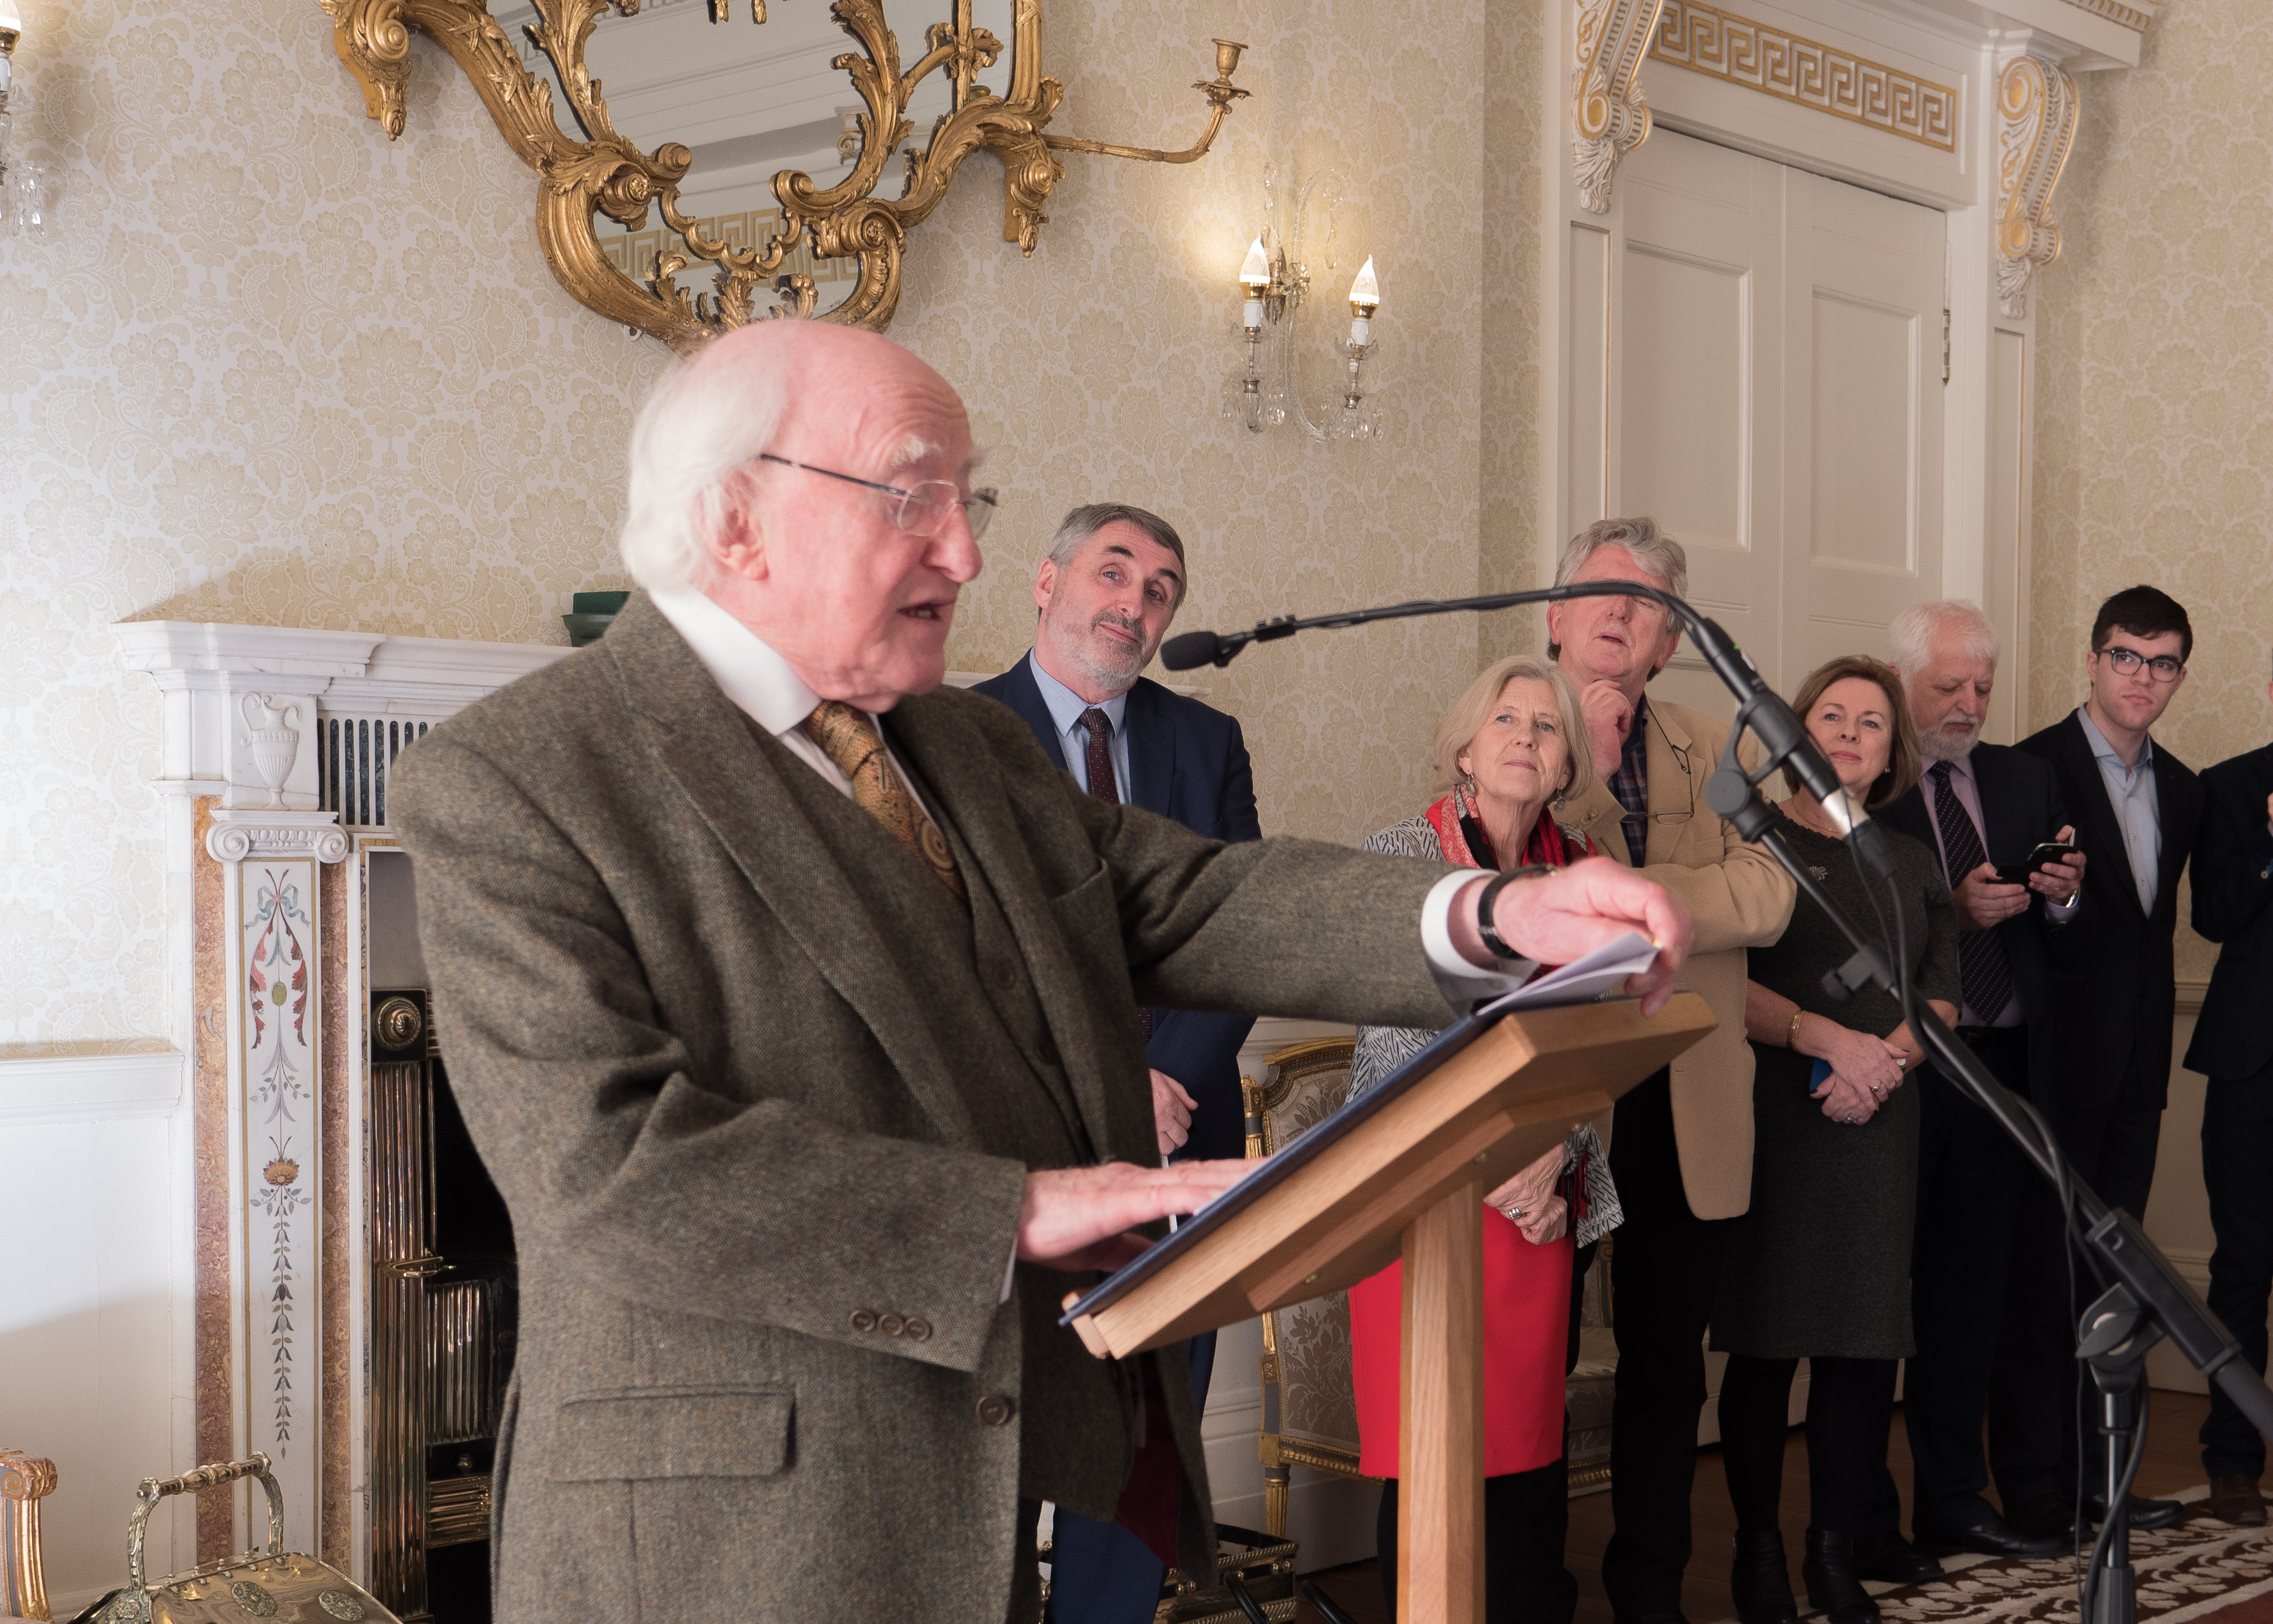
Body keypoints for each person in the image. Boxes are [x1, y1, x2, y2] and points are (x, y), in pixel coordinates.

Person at [388, 321, 1696, 1624]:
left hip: (974, 1486)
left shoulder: (963, 743)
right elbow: (607, 1168)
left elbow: (1188, 894)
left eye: (970, 501)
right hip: (718, 1544)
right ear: (737, 518)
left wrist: (1500, 910)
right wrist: (1010, 1211)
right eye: (912, 497)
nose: (964, 553)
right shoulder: (522, 777)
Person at [972, 503, 1262, 1622]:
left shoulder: (1207, 743)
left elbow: (1240, 933)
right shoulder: (956, 731)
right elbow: (961, 952)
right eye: (1113, 572)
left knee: (1140, 1441)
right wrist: (1105, 1086)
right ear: (1046, 582)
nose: (1134, 603)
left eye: (1160, 590)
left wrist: (1165, 1089)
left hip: (1182, 1145)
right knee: (998, 1437)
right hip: (1018, 1151)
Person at [1544, 518, 1797, 1624]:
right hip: (1556, 1095)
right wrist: (1597, 787)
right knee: (1537, 1362)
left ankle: (1649, 1593)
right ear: (1553, 618)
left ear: (1670, 640)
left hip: (1688, 1093)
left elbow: (1772, 895)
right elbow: (1524, 886)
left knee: (1665, 1367)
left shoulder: (1714, 739)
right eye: (1600, 592)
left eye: (1646, 603)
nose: (1619, 612)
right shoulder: (1507, 727)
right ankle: (1528, 1589)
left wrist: (1636, 898)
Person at [1343, 655, 1624, 1624]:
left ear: (1565, 765)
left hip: (1538, 1197)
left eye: (1546, 728)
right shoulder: (1400, 854)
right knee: (1431, 1454)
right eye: (1505, 720)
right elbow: (1392, 1043)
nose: (1524, 739)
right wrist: (1496, 1156)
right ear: (1464, 749)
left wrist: (1554, 1147)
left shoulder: (1584, 872)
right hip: (1419, 1199)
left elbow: (1598, 1036)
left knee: (1523, 1457)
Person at [1710, 656, 1958, 1624]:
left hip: (1878, 1121)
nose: (1848, 735)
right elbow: (1717, 982)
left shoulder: (1909, 863)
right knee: (1766, 1346)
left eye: (1870, 723)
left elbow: (1942, 997)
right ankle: (1757, 1555)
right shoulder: (1752, 843)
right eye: (1830, 716)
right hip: (1774, 1117)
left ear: (1892, 752)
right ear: (1794, 733)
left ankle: (1830, 1551)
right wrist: (1825, 1042)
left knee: (1861, 1349)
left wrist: (1879, 1067)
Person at [1872, 601, 2083, 1562]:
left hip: (2008, 1066)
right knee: (1910, 1296)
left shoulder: (2023, 777)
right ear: (1900, 681)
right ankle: (1898, 1512)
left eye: (1982, 687)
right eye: (1947, 686)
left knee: (1996, 1292)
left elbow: (2071, 930)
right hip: (1908, 1064)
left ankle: (1990, 1497)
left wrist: (2063, 895)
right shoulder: (1867, 787)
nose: (1967, 704)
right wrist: (1949, 914)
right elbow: (1848, 934)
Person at [2012, 584, 2203, 1536]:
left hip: (2136, 1072)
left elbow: (2151, 930)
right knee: (2046, 1285)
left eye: (2162, 663)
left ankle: (2103, 1487)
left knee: (2113, 1286)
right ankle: (2037, 1492)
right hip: (2052, 1065)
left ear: (2178, 676)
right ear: (2091, 661)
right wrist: (2058, 899)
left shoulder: (2185, 788)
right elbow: (2022, 926)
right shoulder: (2030, 768)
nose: (2142, 677)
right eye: (2125, 656)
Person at [2184, 671, 2273, 1529]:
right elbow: (2211, 916)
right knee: (2243, 1267)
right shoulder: (2233, 787)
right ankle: (2233, 1460)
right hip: (2254, 1069)